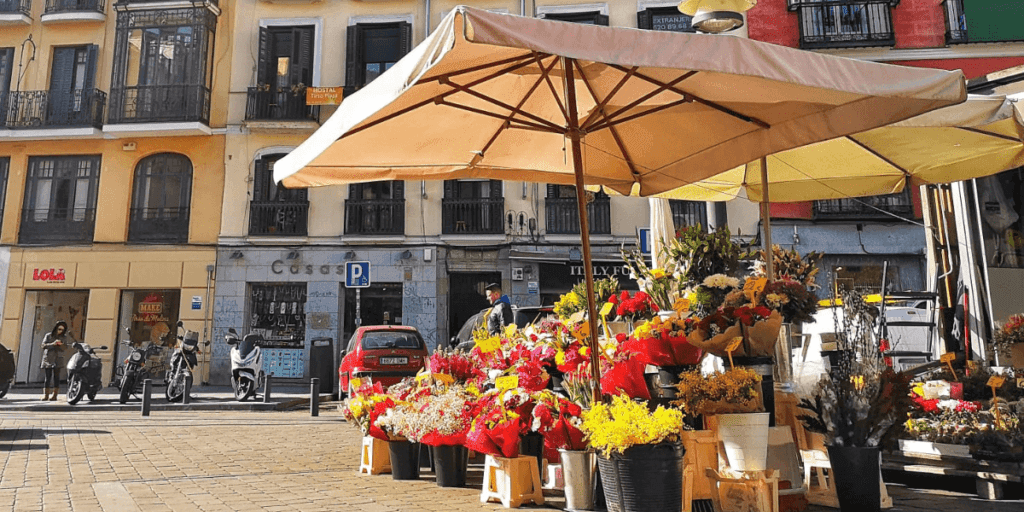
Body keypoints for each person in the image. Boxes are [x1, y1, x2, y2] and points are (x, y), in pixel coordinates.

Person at [40, 321, 70, 401]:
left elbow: (65, 348)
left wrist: (61, 345)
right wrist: (53, 344)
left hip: (58, 358)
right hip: (48, 359)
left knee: (57, 377)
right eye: (59, 329)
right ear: (56, 328)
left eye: (62, 330)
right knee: (48, 377)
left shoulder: (64, 337)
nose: (60, 331)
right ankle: (46, 395)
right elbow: (43, 345)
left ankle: (55, 395)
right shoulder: (48, 335)